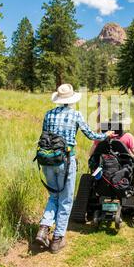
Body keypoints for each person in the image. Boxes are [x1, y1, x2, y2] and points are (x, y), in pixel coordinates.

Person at [36, 84, 114, 254]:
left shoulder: (48, 114)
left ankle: (44, 228)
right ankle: (57, 239)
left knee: (53, 196)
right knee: (66, 199)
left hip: (48, 160)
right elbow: (91, 135)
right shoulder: (75, 114)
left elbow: (44, 137)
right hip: (66, 161)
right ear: (71, 99)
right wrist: (106, 135)